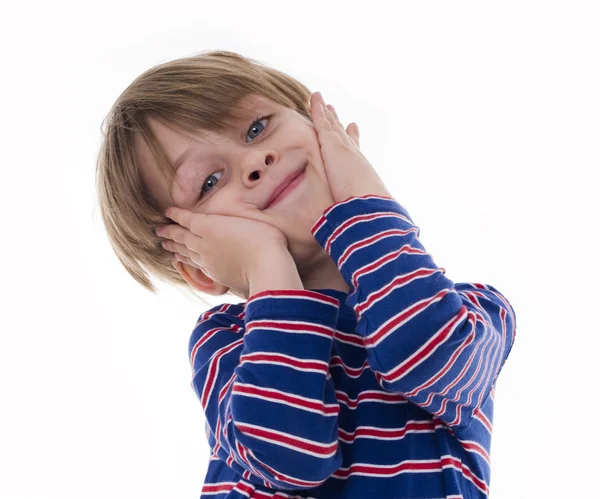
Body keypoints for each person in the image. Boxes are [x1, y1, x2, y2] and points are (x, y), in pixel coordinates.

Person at [96, 50, 517, 499]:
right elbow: (292, 457)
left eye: (257, 128)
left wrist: (364, 196)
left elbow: (427, 353)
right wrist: (266, 266)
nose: (255, 163)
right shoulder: (226, 345)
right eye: (210, 182)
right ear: (198, 265)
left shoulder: (477, 312)